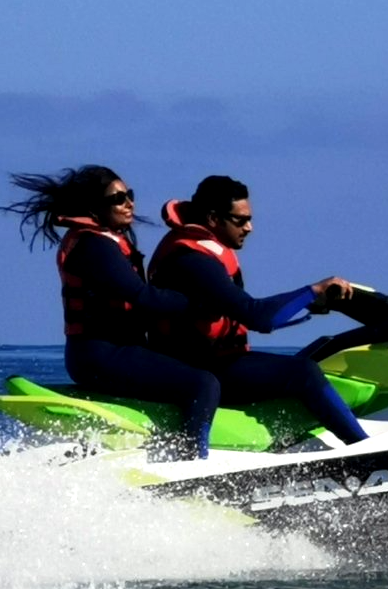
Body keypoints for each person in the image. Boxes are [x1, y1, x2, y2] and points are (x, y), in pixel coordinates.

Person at [0, 165, 223, 458]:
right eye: (118, 199)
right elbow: (142, 296)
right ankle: (192, 458)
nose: (129, 203)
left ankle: (171, 440)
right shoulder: (94, 246)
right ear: (93, 207)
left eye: (129, 195)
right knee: (203, 383)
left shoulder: (106, 241)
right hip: (100, 356)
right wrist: (199, 305)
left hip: (113, 352)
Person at [146, 175, 369, 445]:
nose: (249, 228)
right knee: (303, 371)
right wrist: (312, 291)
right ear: (213, 219)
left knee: (318, 353)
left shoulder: (203, 251)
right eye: (240, 220)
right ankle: (365, 449)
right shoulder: (193, 261)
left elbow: (241, 311)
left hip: (217, 360)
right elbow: (257, 316)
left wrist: (311, 303)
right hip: (198, 369)